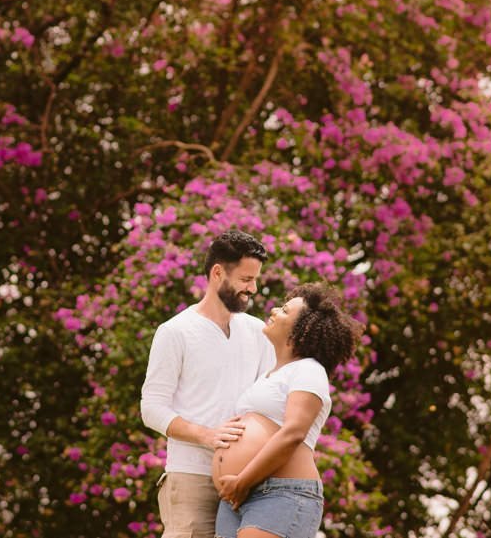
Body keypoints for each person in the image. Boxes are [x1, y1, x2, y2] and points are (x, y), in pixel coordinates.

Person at [141, 229, 277, 538]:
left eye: (255, 280)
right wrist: (207, 436)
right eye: (245, 279)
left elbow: (269, 400)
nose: (253, 288)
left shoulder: (257, 332)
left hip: (246, 481)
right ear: (217, 273)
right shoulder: (175, 331)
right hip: (192, 477)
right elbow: (151, 407)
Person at [212, 282, 361, 538]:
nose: (273, 311)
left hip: (280, 492)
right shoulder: (271, 374)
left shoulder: (309, 370)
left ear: (302, 330)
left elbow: (293, 432)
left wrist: (242, 480)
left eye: (284, 310)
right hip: (237, 496)